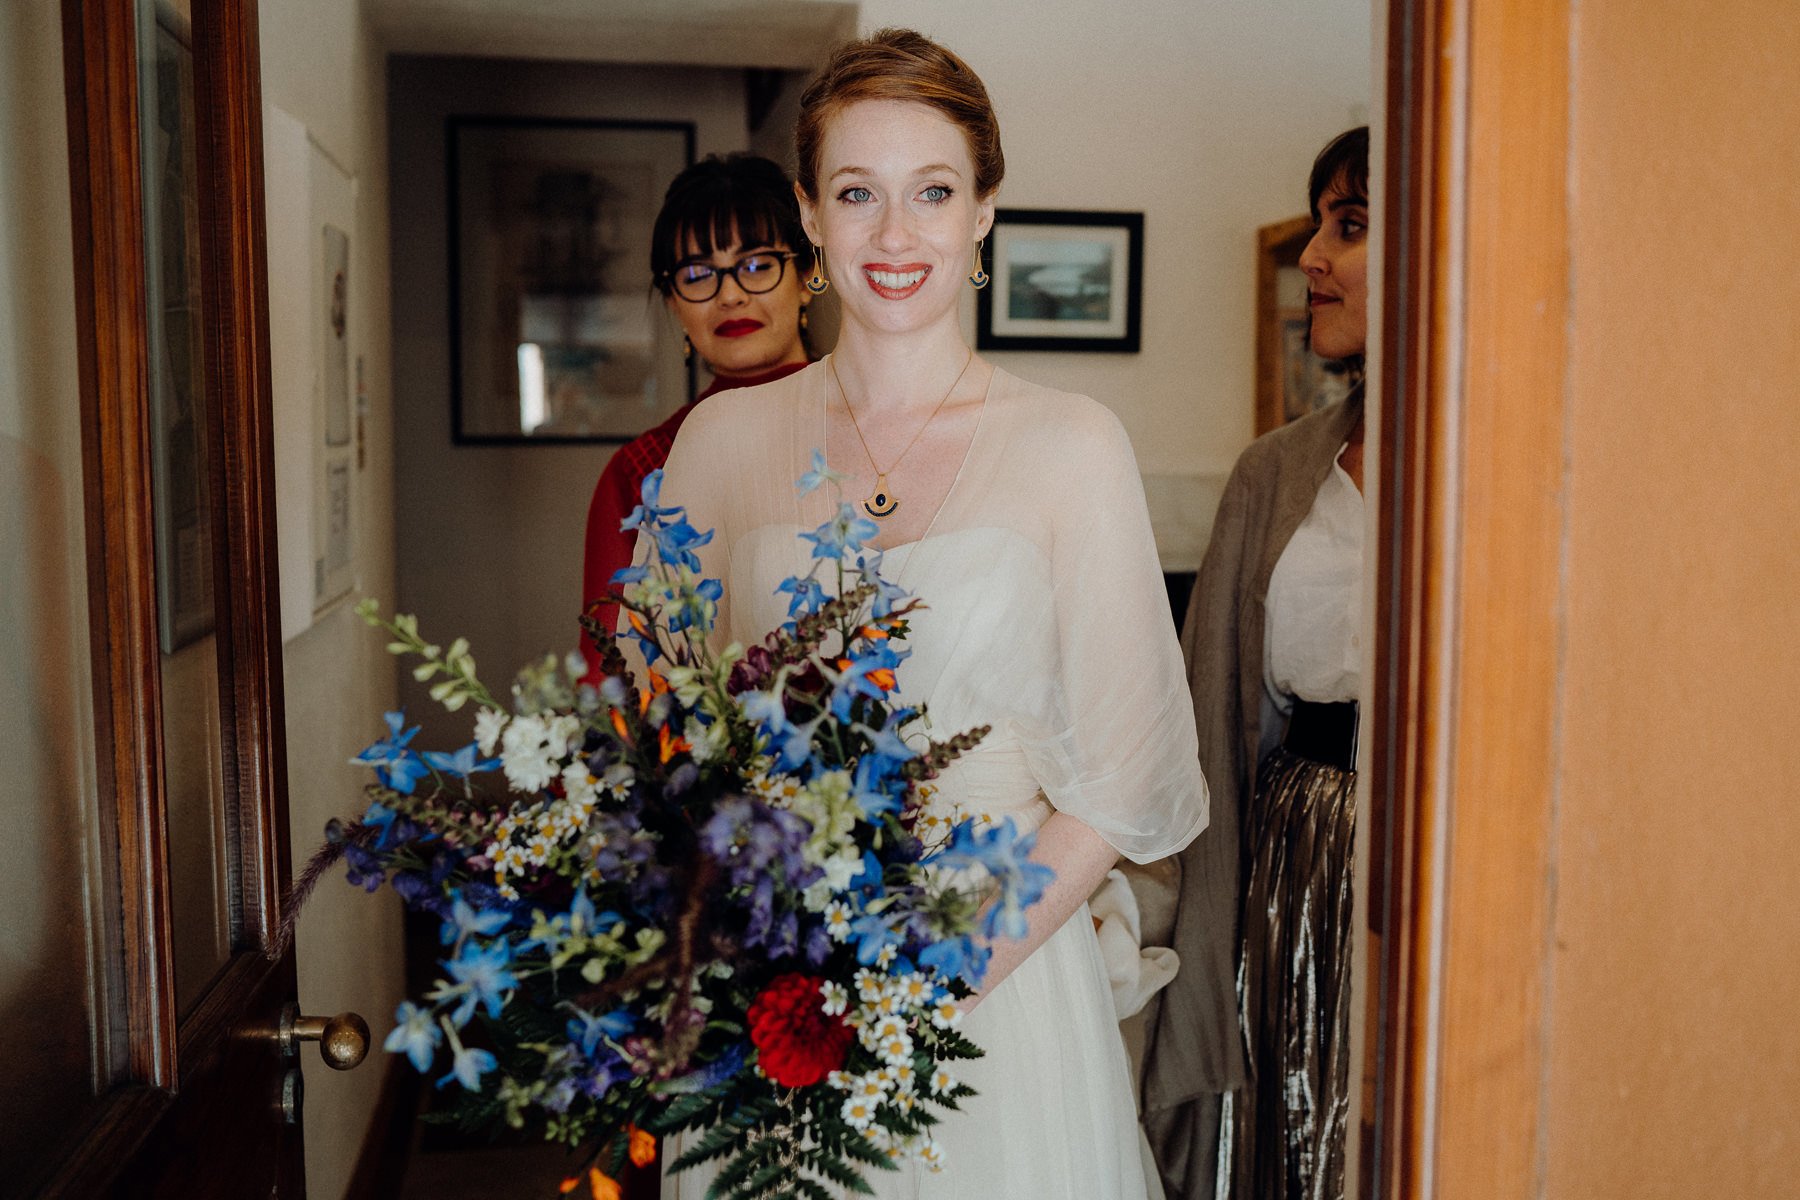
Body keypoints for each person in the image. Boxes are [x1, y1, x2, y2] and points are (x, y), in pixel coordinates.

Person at [652, 29, 1209, 1200]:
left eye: (933, 192)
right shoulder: (720, 444)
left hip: (996, 997)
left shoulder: (1071, 445)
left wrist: (924, 983)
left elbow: (1121, 778)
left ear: (985, 211)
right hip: (775, 993)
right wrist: (772, 955)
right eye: (858, 193)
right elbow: (668, 735)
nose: (896, 236)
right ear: (809, 214)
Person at [1140, 126, 1370, 1200]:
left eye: (1351, 227)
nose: (1313, 257)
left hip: (1461, 876)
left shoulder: (1536, 461)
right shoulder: (1276, 473)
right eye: (1321, 224)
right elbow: (1208, 745)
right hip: (1297, 871)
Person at [580, 154, 813, 668]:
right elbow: (607, 682)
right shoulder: (640, 472)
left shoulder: (878, 427)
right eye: (698, 274)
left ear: (807, 274)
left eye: (756, 264)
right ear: (672, 303)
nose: (729, 294)